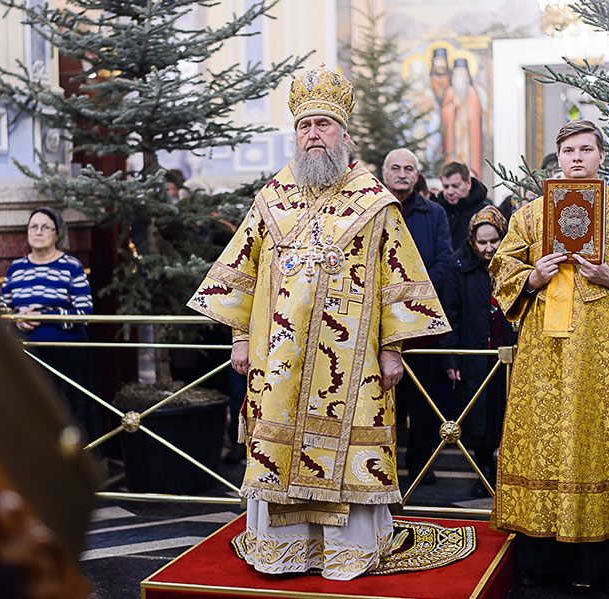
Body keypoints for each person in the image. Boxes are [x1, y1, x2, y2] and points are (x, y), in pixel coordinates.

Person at [187, 65, 450, 580]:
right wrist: (240, 336)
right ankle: (284, 550)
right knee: (279, 447)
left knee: (350, 450)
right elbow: (241, 270)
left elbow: (398, 278)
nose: (313, 134)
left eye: (324, 125)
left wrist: (392, 347)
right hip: (278, 357)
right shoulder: (271, 199)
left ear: (343, 135)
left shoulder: (375, 202)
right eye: (305, 125)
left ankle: (345, 551)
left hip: (351, 362)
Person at [489, 120, 609, 593]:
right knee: (541, 444)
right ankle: (538, 561)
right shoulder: (531, 215)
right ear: (558, 156)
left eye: (586, 150)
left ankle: (604, 567)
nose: (576, 158)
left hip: (602, 353)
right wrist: (531, 277)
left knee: (597, 444)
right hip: (542, 358)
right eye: (568, 150)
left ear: (601, 157)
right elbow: (502, 265)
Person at [0, 207, 103, 449]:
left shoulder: (71, 267)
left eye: (46, 227)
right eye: (33, 227)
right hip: (26, 356)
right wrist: (18, 320)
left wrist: (45, 317)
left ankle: (78, 464)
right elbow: (4, 311)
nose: (38, 232)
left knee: (68, 414)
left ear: (58, 234)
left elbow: (83, 314)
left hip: (65, 356)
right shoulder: (16, 269)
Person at [382, 148, 452, 483]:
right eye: (395, 167)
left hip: (423, 323)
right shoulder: (374, 209)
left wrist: (415, 294)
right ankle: (384, 466)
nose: (402, 173)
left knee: (424, 402)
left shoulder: (434, 213)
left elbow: (443, 259)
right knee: (385, 398)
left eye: (409, 168)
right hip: (381, 324)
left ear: (417, 174)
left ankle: (421, 466)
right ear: (384, 172)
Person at [441, 206, 515, 498]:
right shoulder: (459, 263)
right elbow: (451, 312)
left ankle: (505, 471)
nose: (488, 248)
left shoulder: (512, 261)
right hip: (475, 353)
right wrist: (451, 356)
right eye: (482, 242)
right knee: (477, 415)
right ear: (472, 239)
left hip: (507, 352)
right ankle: (483, 469)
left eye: (493, 241)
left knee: (505, 411)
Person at [440, 58, 483, 178]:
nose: (460, 77)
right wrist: (454, 107)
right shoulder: (450, 92)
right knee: (455, 153)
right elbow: (444, 112)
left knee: (467, 155)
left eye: (463, 73)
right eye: (457, 73)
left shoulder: (472, 92)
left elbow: (477, 113)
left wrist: (467, 111)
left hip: (468, 133)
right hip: (454, 132)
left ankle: (470, 174)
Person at [435, 161, 489, 250]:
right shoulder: (438, 210)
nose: (450, 192)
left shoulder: (483, 211)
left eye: (455, 186)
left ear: (468, 183)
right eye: (446, 187)